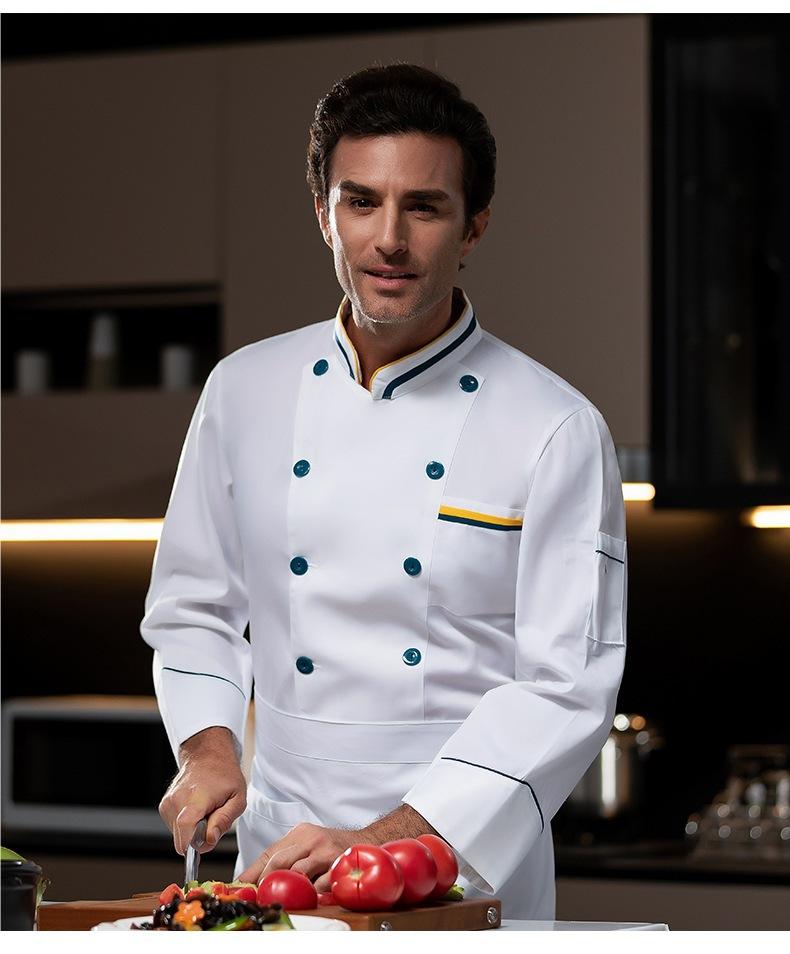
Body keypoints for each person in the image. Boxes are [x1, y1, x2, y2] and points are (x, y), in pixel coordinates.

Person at [140, 62, 627, 921]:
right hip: (278, 854)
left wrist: (388, 840)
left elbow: (566, 686)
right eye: (361, 202)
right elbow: (193, 606)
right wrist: (208, 748)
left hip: (459, 856)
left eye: (425, 207)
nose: (389, 239)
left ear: (474, 227)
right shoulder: (242, 391)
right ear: (323, 215)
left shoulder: (555, 426)